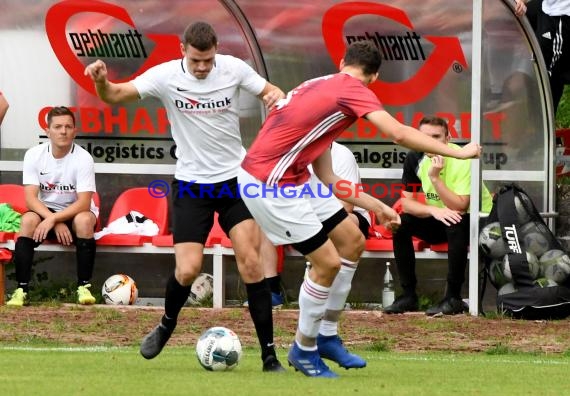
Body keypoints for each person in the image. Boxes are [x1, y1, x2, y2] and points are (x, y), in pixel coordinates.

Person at [238, 41, 481, 377]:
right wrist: (459, 152)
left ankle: (326, 337)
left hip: (295, 177)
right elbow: (398, 133)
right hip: (269, 182)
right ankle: (304, 349)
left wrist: (377, 206)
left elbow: (328, 176)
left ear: (341, 62)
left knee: (352, 240)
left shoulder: (318, 87)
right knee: (327, 262)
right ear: (375, 77)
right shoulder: (353, 90)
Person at [84, 21, 286, 372]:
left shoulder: (234, 68)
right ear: (183, 50)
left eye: (208, 60)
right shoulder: (164, 76)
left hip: (234, 181)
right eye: (196, 61)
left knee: (251, 263)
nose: (203, 67)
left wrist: (274, 96)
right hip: (192, 184)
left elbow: (273, 92)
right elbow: (114, 95)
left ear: (216, 50)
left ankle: (269, 355)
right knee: (188, 268)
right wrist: (101, 80)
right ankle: (166, 323)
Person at [383, 116, 493, 316]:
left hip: (478, 220)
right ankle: (408, 295)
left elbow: (460, 205)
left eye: (436, 137)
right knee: (401, 223)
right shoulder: (414, 158)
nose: (431, 142)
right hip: (442, 217)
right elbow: (406, 203)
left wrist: (434, 178)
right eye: (425, 137)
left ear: (448, 137)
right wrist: (433, 210)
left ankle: (453, 297)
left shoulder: (462, 158)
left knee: (455, 222)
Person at [247, 141, 371, 310]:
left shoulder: (342, 155)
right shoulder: (293, 155)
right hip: (305, 215)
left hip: (346, 215)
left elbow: (346, 205)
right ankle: (271, 290)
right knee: (265, 218)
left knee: (344, 222)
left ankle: (329, 293)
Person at [6, 106, 98, 306]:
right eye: (57, 127)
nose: (63, 131)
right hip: (45, 211)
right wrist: (52, 219)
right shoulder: (34, 155)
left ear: (75, 130)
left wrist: (56, 219)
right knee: (28, 220)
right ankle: (21, 289)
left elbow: (84, 203)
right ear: (47, 131)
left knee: (84, 221)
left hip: (75, 212)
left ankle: (84, 287)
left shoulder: (84, 158)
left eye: (68, 126)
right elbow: (30, 199)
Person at [534, 0, 570, 113]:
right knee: (551, 75)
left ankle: (544, 123)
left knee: (550, 75)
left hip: (561, 16)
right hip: (552, 13)